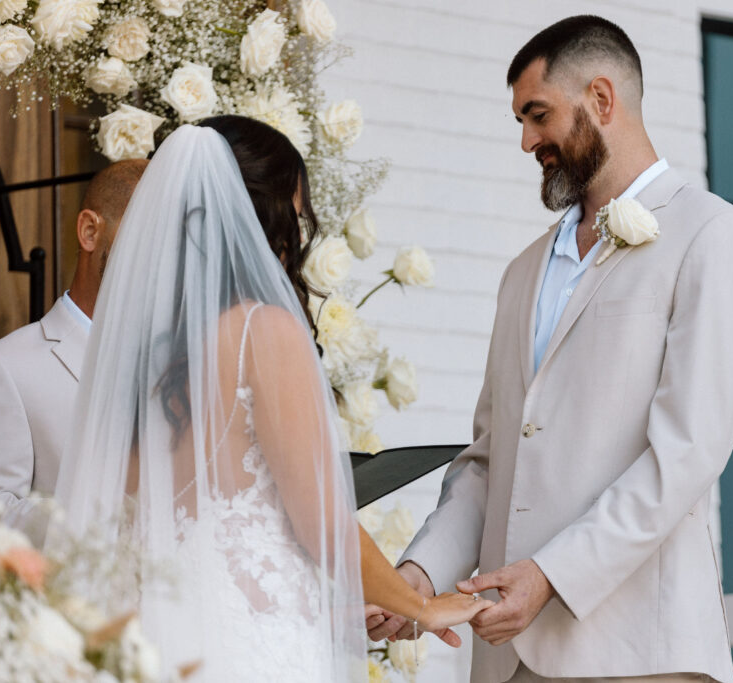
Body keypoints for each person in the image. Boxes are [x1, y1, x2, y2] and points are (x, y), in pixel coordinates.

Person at [368, 15, 733, 683]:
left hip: (639, 654)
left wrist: (551, 576)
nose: (527, 140)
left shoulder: (714, 237)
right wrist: (419, 575)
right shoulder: (522, 272)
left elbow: (686, 453)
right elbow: (489, 459)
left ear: (602, 99)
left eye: (538, 114)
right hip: (505, 659)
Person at [48, 117, 490, 682]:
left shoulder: (139, 359)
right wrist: (422, 606)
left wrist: (327, 607)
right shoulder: (262, 331)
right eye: (296, 214)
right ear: (265, 213)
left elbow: (184, 548)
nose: (298, 234)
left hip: (163, 651)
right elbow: (320, 520)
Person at [0, 160, 147, 544]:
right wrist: (108, 508)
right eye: (148, 234)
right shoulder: (2, 369)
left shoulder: (188, 367)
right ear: (90, 231)